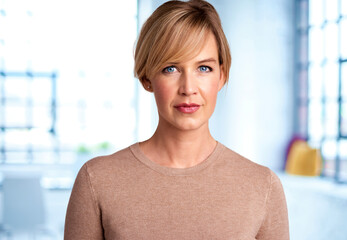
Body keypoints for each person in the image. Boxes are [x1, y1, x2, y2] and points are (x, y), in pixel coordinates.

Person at [64, 0, 289, 239]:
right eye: (171, 68)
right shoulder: (97, 181)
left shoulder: (262, 186)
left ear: (222, 76)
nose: (188, 88)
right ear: (146, 77)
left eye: (203, 68)